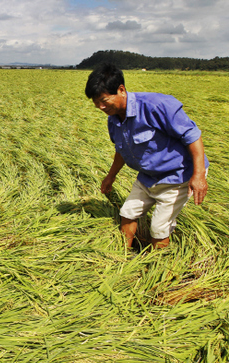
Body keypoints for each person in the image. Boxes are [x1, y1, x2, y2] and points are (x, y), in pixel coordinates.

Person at [85, 63, 209, 249]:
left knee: (159, 228)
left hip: (177, 175)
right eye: (96, 102)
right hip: (148, 177)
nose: (100, 107)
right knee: (127, 213)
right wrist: (111, 176)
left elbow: (193, 136)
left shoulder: (156, 106)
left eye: (104, 100)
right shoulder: (113, 119)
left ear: (121, 90)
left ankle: (158, 267)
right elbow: (121, 150)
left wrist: (198, 176)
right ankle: (122, 257)